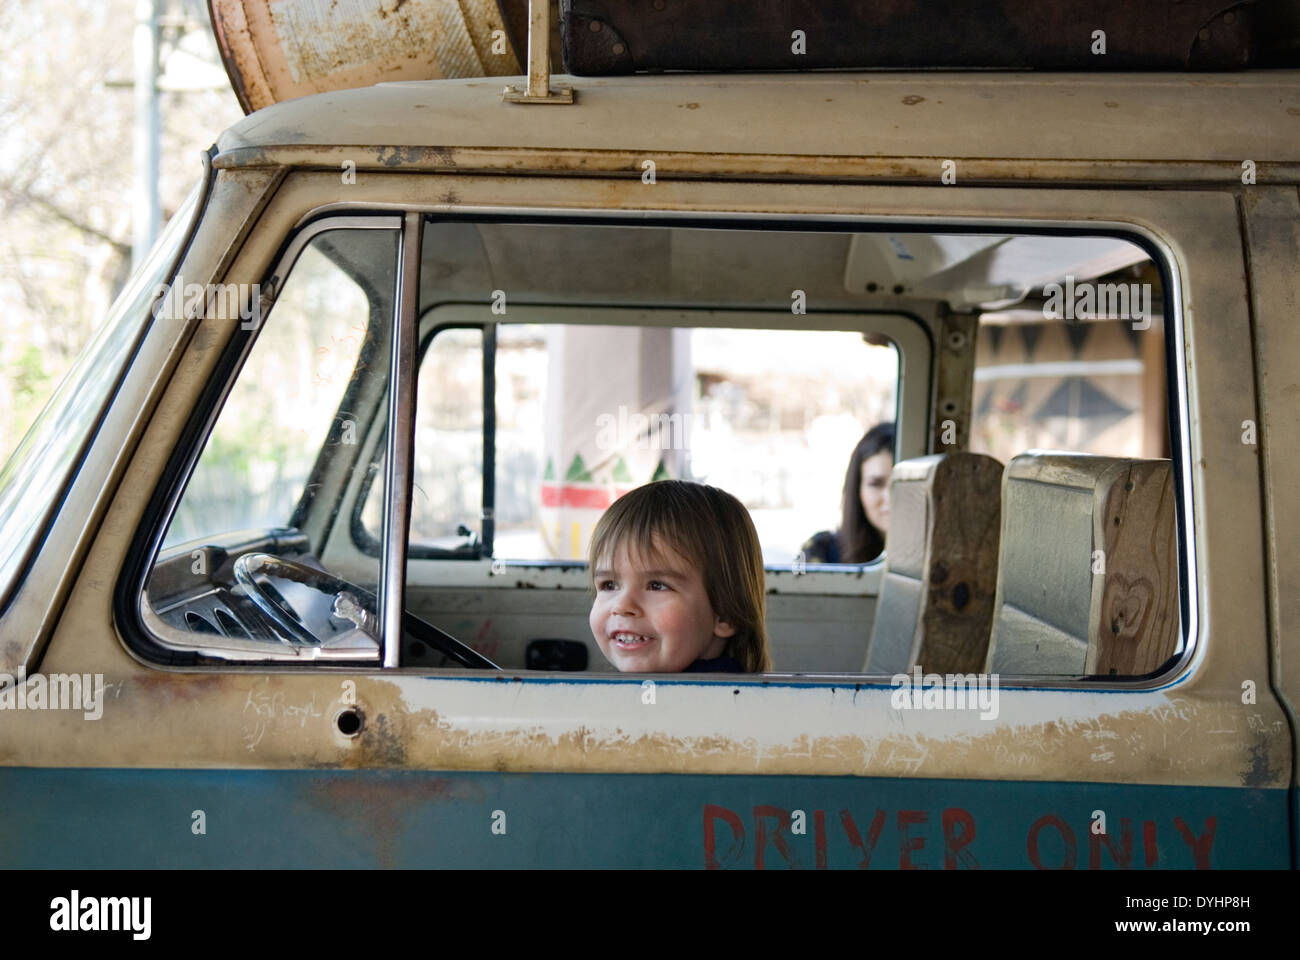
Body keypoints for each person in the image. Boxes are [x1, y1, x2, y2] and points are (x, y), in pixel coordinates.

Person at [588, 480, 773, 673]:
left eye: (656, 586)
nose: (622, 606)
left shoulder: (715, 699)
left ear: (725, 615)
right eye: (609, 585)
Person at [801, 421, 895, 564]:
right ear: (857, 489)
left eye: (899, 483)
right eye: (875, 484)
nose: (889, 497)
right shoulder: (821, 552)